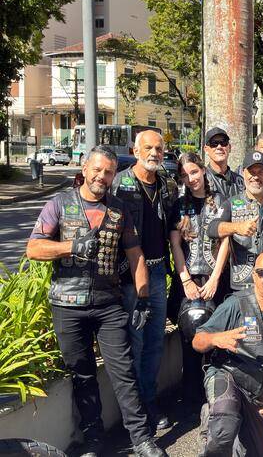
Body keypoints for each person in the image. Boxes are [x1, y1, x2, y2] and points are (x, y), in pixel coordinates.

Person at [26, 145, 166, 457]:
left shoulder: (118, 209)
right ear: (85, 168)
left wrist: (143, 298)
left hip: (108, 305)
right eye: (97, 169)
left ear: (114, 176)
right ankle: (93, 439)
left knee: (124, 373)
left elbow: (135, 255)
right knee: (83, 375)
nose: (102, 176)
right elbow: (33, 248)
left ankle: (142, 439)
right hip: (67, 304)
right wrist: (70, 247)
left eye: (109, 172)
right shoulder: (60, 203)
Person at [192, 250, 263, 456]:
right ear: (254, 275)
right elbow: (198, 341)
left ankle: (221, 419)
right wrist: (215, 338)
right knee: (224, 429)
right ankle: (216, 418)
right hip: (229, 376)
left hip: (259, 393)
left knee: (254, 453)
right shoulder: (236, 304)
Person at [111, 130, 179, 431]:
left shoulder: (166, 184)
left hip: (158, 271)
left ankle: (149, 401)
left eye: (159, 148)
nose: (154, 153)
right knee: (134, 343)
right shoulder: (120, 183)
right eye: (148, 148)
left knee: (154, 341)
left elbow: (173, 221)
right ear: (135, 151)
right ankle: (136, 407)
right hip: (129, 275)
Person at [168, 152, 231, 408]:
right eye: (185, 175)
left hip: (215, 279)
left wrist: (215, 277)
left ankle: (217, 395)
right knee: (189, 337)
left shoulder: (221, 201)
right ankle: (191, 399)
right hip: (188, 279)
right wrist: (185, 280)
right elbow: (175, 244)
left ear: (203, 170)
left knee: (216, 338)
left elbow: (225, 241)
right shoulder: (178, 205)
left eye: (194, 172)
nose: (191, 178)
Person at [208, 149, 263, 293]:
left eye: (261, 172)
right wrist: (237, 227)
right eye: (252, 172)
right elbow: (212, 228)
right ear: (243, 173)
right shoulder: (231, 203)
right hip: (243, 285)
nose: (256, 177)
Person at [204, 126, 244, 199]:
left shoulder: (240, 181)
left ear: (229, 148)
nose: (219, 147)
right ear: (206, 149)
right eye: (214, 143)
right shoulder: (202, 179)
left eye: (223, 142)